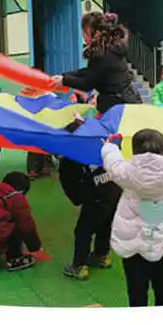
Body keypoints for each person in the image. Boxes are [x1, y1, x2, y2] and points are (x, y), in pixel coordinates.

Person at [101, 129, 163, 307]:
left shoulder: (125, 173)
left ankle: (139, 322)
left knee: (136, 287)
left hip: (134, 242)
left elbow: (112, 162)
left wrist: (110, 146)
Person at [59, 116, 121, 281]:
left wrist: (79, 198)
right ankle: (102, 255)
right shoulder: (104, 147)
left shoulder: (71, 159)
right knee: (105, 224)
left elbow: (70, 183)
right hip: (113, 192)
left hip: (95, 197)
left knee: (83, 231)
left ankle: (79, 266)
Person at [51, 12, 142, 114]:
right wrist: (64, 76)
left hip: (120, 107)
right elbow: (90, 72)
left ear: (97, 33)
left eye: (85, 33)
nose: (84, 37)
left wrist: (64, 81)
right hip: (126, 102)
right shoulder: (110, 49)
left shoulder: (103, 54)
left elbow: (88, 83)